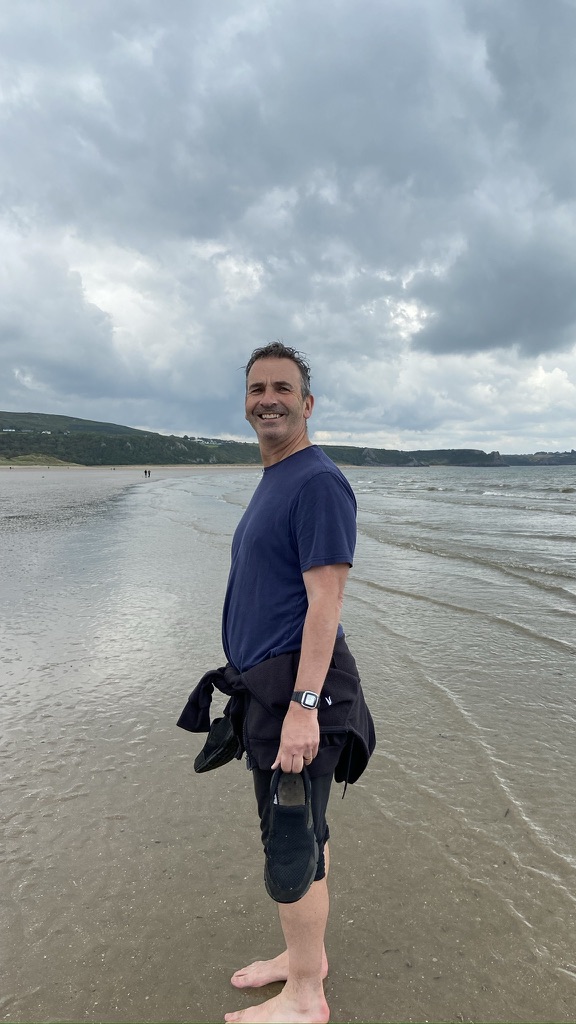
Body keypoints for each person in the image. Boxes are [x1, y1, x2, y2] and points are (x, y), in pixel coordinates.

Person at [183, 342, 374, 1024]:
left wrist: (304, 709)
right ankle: (304, 961)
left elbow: (327, 604)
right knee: (304, 828)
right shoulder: (277, 478)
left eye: (283, 388)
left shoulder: (317, 482)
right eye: (257, 387)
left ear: (308, 403)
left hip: (301, 692)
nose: (268, 397)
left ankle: (305, 998)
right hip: (269, 691)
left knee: (290, 838)